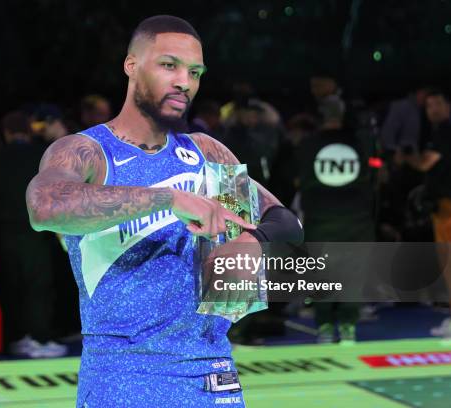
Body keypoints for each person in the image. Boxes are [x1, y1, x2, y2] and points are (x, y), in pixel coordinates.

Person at [26, 15, 303, 407]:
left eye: (195, 71)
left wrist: (251, 241)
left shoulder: (203, 152)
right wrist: (166, 198)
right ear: (132, 65)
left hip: (211, 373)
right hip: (122, 378)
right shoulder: (89, 152)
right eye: (169, 65)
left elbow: (285, 221)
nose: (184, 82)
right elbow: (45, 206)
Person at [0, 111, 67, 358]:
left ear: (6, 132)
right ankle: (38, 338)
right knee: (38, 287)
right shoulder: (40, 157)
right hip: (35, 233)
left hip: (4, 234)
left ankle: (16, 337)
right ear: (29, 130)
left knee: (11, 286)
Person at [295, 94, 376, 343]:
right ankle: (349, 325)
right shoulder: (362, 142)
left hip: (320, 219)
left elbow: (297, 180)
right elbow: (375, 175)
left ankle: (325, 327)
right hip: (357, 219)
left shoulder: (307, 145)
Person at [399, 90, 451, 338]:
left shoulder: (446, 130)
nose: (433, 109)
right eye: (429, 105)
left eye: (438, 103)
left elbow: (425, 163)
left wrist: (405, 157)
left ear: (449, 105)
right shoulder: (439, 131)